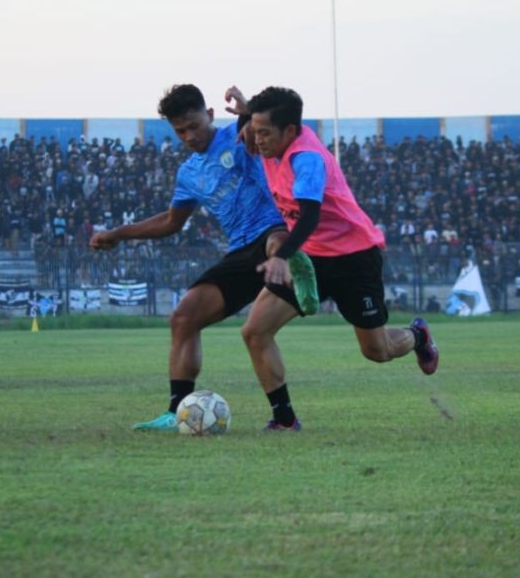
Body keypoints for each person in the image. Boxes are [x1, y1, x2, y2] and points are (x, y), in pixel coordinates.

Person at [89, 84, 317, 431]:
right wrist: (120, 233)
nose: (189, 136)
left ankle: (293, 264)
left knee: (275, 245)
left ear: (210, 115)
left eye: (194, 126)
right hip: (240, 251)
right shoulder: (189, 174)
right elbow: (171, 221)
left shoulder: (240, 135)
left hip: (273, 228)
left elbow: (268, 127)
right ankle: (175, 412)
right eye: (180, 131)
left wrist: (246, 113)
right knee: (183, 317)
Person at [226, 85, 438, 431]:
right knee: (255, 331)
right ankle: (284, 419)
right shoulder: (271, 135)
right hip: (310, 257)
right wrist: (248, 112)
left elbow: (309, 216)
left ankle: (418, 335)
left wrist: (282, 256)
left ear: (290, 131)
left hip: (354, 257)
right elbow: (255, 128)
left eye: (265, 133)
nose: (257, 141)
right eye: (255, 130)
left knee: (377, 351)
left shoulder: (306, 158)